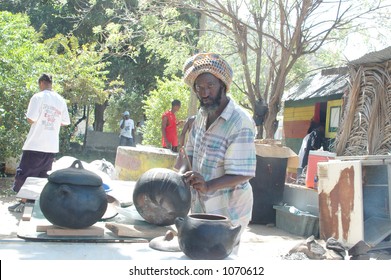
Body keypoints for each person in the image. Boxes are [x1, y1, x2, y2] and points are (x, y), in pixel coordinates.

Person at [177, 52, 257, 250]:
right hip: (202, 202)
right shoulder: (202, 116)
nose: (204, 93)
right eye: (199, 87)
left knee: (222, 257)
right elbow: (189, 154)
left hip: (230, 207)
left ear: (223, 85)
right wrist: (178, 177)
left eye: (210, 86)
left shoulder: (240, 122)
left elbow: (243, 173)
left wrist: (209, 185)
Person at [8, 74, 71, 212]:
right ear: (51, 83)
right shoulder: (60, 100)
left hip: (35, 144)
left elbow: (31, 119)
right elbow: (65, 122)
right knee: (42, 176)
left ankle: (24, 203)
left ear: (41, 83)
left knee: (25, 174)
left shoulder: (38, 97)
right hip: (51, 146)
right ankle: (36, 204)